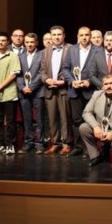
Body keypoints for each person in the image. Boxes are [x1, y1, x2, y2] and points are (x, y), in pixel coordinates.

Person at [78, 74, 112, 168]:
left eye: (111, 83)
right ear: (102, 86)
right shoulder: (96, 94)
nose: (109, 86)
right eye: (106, 84)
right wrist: (96, 126)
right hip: (101, 128)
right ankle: (95, 156)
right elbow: (86, 112)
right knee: (83, 128)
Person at [62, 26, 99, 157]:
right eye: (82, 35)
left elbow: (99, 71)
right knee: (76, 120)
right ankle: (78, 146)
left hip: (90, 91)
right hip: (75, 90)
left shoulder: (98, 50)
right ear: (78, 36)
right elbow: (65, 68)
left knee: (90, 121)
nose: (84, 37)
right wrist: (72, 81)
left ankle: (89, 148)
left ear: (90, 36)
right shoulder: (71, 49)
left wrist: (89, 81)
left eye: (87, 35)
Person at [40, 25, 72, 155]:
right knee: (52, 118)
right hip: (49, 89)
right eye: (54, 35)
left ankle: (66, 143)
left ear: (63, 35)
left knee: (65, 117)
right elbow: (42, 70)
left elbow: (73, 68)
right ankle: (55, 143)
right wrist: (47, 80)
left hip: (64, 88)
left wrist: (62, 81)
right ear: (51, 36)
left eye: (59, 34)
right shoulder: (45, 51)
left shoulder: (70, 49)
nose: (57, 37)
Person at [0, 32, 22, 155]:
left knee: (10, 121)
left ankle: (10, 144)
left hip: (9, 93)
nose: (1, 42)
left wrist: (0, 87)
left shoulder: (12, 55)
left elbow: (13, 74)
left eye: (3, 40)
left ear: (8, 42)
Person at [17, 32, 46, 154]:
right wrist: (22, 87)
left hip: (38, 91)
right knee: (27, 119)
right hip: (24, 92)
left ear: (36, 43)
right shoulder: (20, 56)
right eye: (27, 42)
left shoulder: (42, 55)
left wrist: (32, 86)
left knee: (39, 119)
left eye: (32, 42)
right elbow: (18, 74)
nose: (29, 44)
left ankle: (40, 143)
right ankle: (28, 142)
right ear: (24, 43)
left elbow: (42, 72)